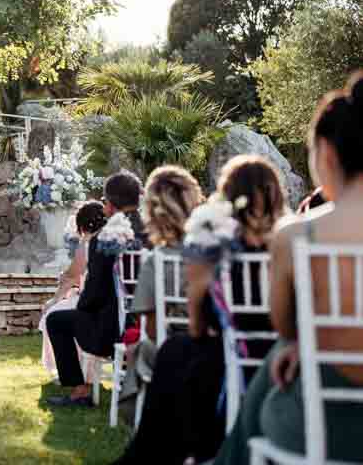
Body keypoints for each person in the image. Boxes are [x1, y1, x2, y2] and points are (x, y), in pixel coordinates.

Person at [215, 72, 363, 465]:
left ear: (328, 154)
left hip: (322, 426)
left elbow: (283, 325)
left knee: (284, 349)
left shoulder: (297, 235)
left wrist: (307, 344)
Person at [116, 156, 286, 465]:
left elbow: (193, 326)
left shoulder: (213, 246)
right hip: (280, 357)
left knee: (176, 352)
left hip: (227, 357)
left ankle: (156, 452)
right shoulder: (290, 242)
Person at [45, 171, 147, 407]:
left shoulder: (106, 237)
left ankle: (80, 390)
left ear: (109, 206)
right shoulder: (154, 232)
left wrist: (80, 303)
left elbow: (94, 294)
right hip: (150, 324)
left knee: (57, 320)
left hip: (113, 331)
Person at [117, 165, 205, 422]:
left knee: (140, 349)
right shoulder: (219, 248)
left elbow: (154, 330)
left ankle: (145, 420)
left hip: (176, 348)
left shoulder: (159, 260)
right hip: (220, 345)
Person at [39, 201, 107, 379]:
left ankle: (71, 374)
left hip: (93, 306)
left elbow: (70, 278)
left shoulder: (87, 245)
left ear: (82, 225)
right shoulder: (111, 242)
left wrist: (53, 300)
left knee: (52, 313)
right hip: (105, 304)